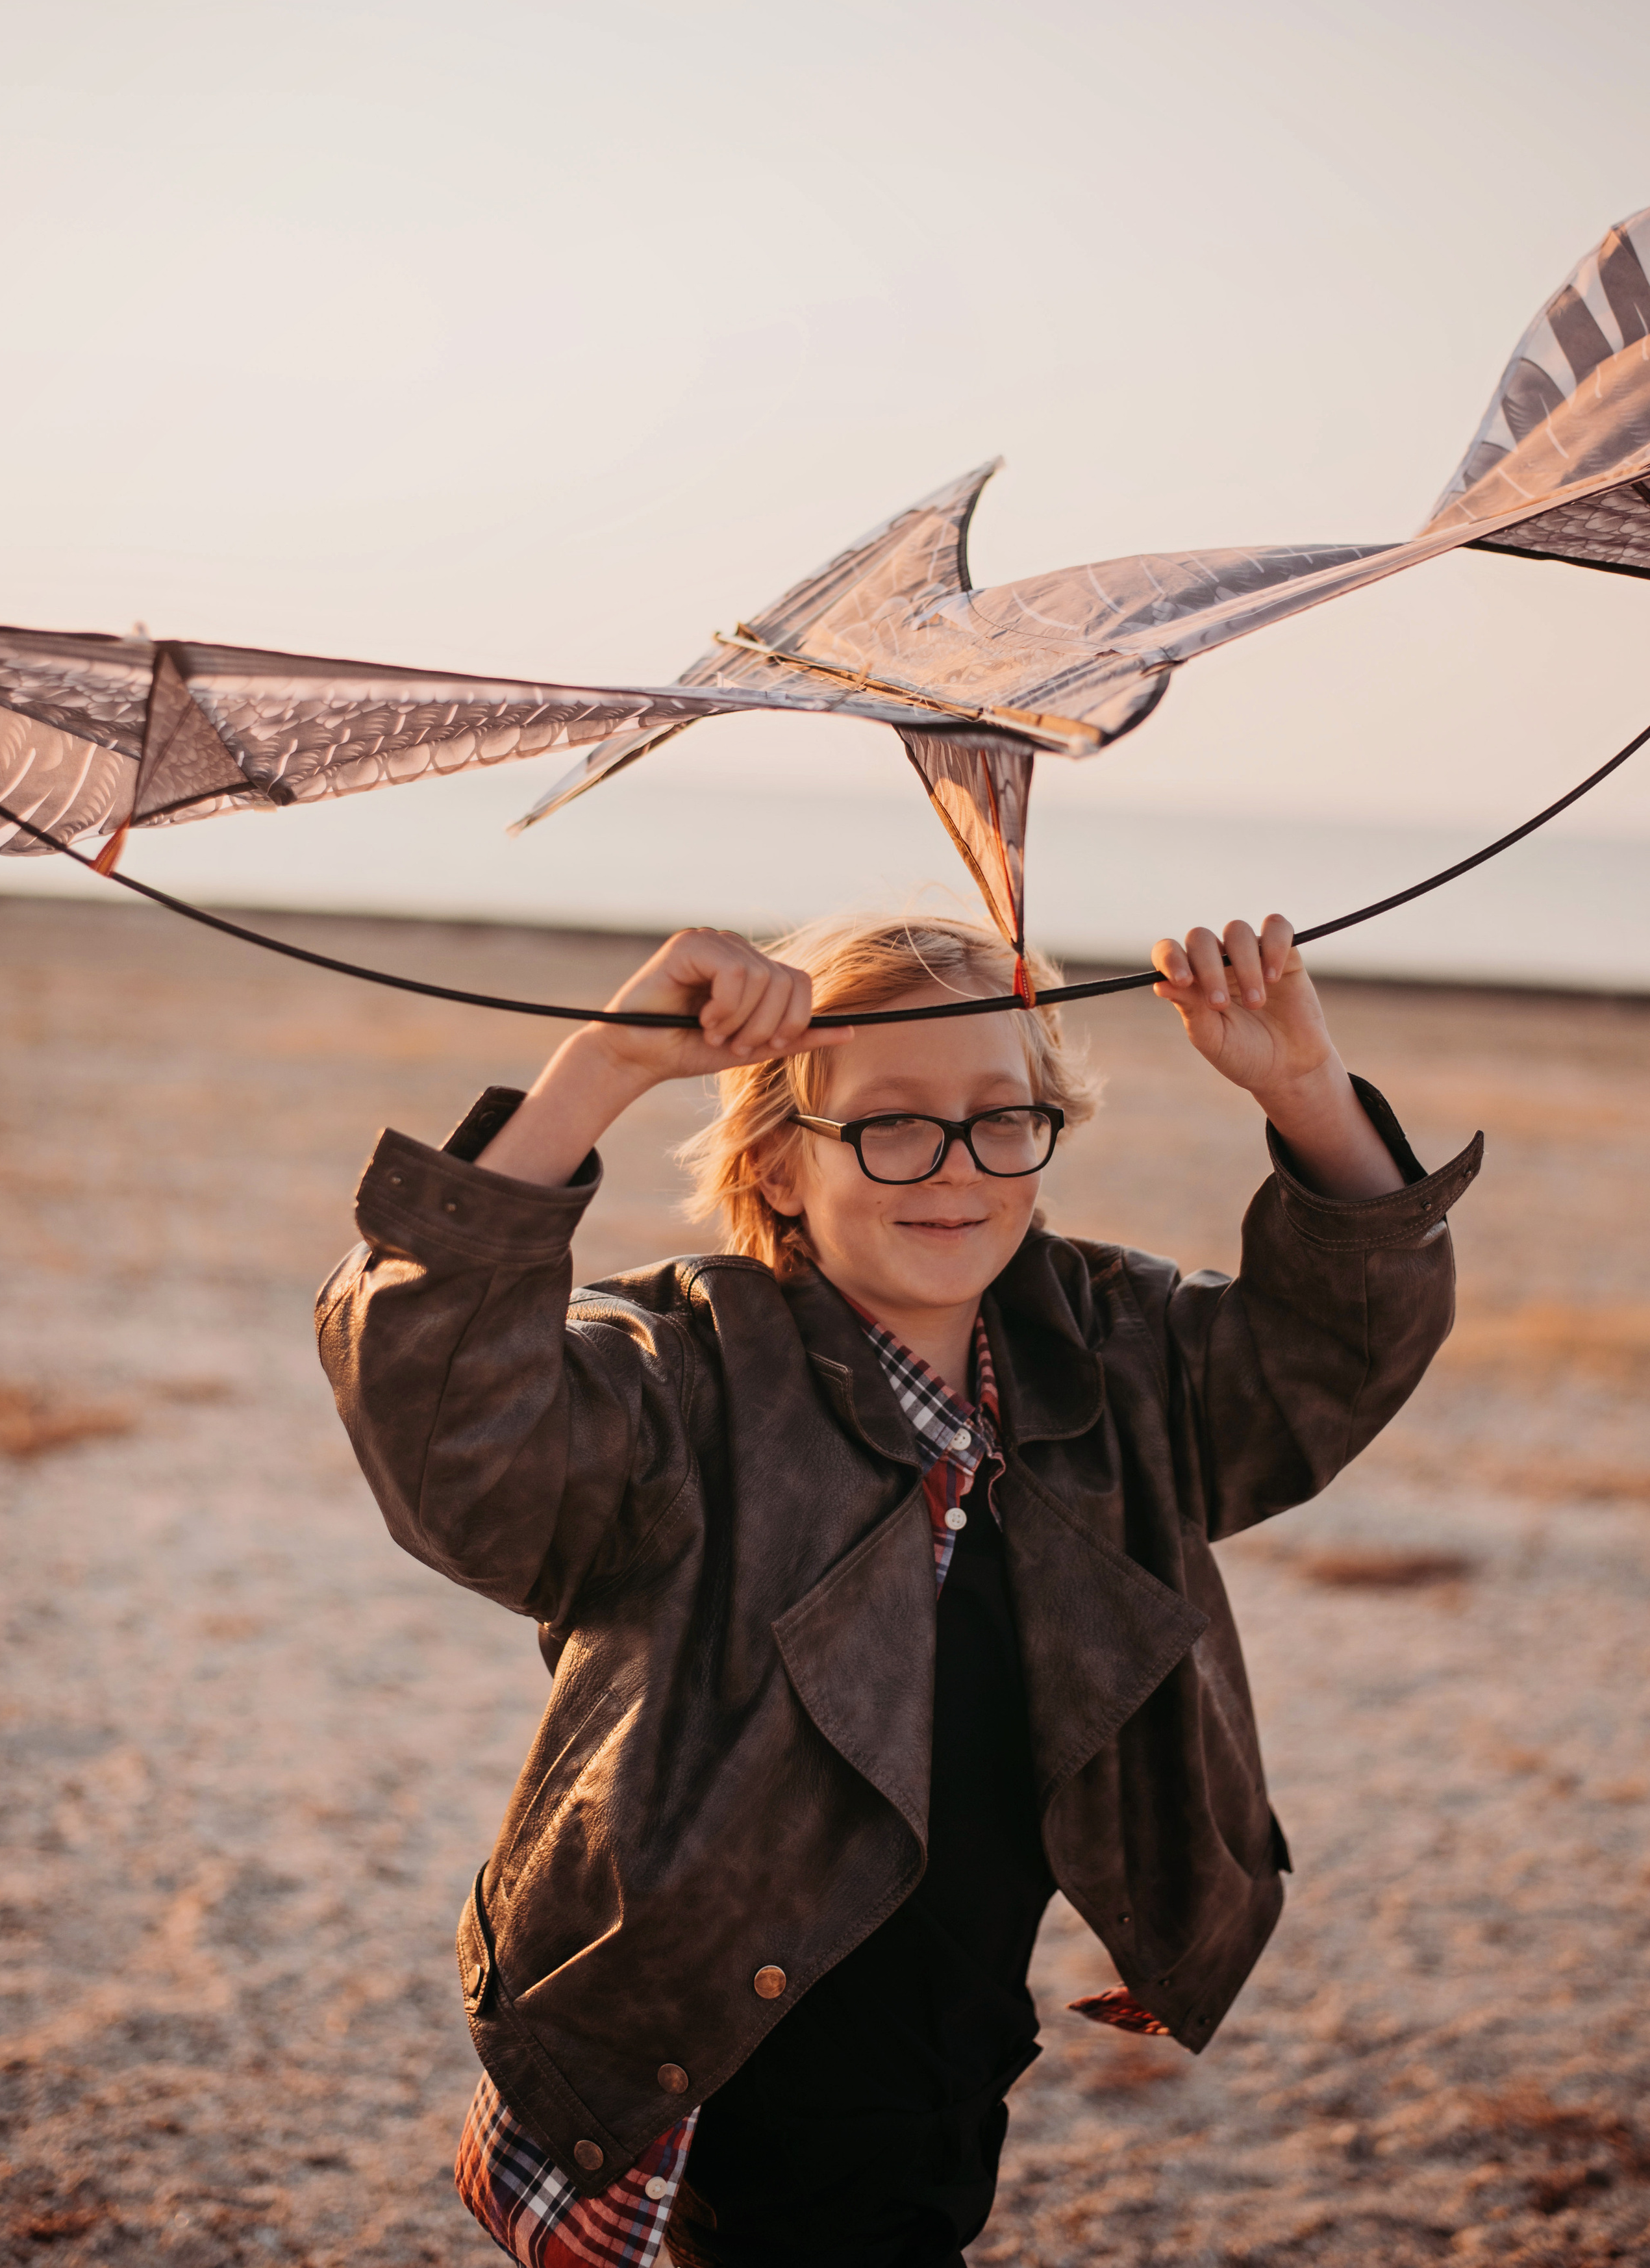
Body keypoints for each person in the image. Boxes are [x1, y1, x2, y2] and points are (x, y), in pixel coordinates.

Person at [318, 909, 1481, 2268]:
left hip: (956, 2049)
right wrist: (602, 1070)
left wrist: (1299, 1090)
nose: (953, 1168)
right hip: (716, 2072)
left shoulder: (1108, 1359)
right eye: (888, 1123)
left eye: (1002, 1118)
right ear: (777, 1161)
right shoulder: (678, 1379)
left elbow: (1332, 1357)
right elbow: (436, 1400)